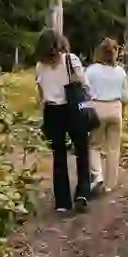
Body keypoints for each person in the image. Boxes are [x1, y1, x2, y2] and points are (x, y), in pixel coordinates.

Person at [34, 28, 92, 213]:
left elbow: (41, 93)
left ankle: (62, 202)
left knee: (58, 156)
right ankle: (82, 193)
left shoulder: (39, 66)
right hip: (72, 108)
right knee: (82, 151)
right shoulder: (71, 59)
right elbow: (84, 84)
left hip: (52, 111)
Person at [85, 37, 128, 191]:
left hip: (97, 108)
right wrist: (121, 111)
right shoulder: (120, 72)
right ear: (115, 52)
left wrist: (84, 109)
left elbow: (85, 92)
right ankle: (110, 185)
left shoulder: (91, 70)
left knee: (93, 145)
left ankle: (97, 174)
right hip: (116, 109)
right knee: (113, 148)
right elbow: (125, 97)